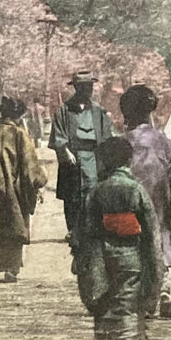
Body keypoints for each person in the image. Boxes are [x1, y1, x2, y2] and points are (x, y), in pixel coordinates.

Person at [74, 137, 164, 340]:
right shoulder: (136, 189)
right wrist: (153, 259)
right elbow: (150, 227)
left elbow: (85, 226)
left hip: (101, 252)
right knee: (127, 297)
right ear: (129, 161)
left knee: (103, 296)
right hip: (130, 251)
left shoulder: (96, 191)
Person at [0, 96, 48, 283]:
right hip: (14, 190)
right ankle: (11, 269)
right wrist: (40, 182)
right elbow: (30, 166)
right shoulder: (19, 134)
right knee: (14, 226)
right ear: (19, 115)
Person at [120, 85, 171, 318]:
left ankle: (143, 293)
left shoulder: (124, 141)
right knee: (162, 237)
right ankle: (164, 290)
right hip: (159, 196)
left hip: (132, 198)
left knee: (135, 242)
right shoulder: (162, 141)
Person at [51, 71, 114, 244]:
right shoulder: (64, 110)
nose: (87, 90)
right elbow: (58, 137)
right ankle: (73, 229)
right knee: (72, 195)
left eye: (90, 87)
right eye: (83, 87)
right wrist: (65, 153)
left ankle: (92, 228)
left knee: (93, 192)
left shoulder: (98, 111)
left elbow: (107, 137)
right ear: (76, 88)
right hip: (72, 157)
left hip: (93, 157)